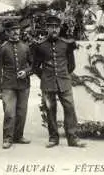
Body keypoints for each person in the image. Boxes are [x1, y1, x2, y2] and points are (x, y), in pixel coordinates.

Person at [32, 15, 86, 148]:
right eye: (51, 27)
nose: (54, 30)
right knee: (50, 110)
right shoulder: (40, 46)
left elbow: (71, 66)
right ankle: (53, 138)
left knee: (69, 109)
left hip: (64, 82)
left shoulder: (66, 44)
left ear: (60, 28)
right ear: (47, 29)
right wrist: (45, 76)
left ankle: (72, 138)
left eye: (56, 27)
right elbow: (35, 67)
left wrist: (63, 75)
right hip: (48, 83)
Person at [0, 20, 32, 149]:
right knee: (9, 112)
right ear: (7, 32)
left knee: (22, 112)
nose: (16, 32)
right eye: (13, 30)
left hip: (24, 85)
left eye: (17, 30)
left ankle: (18, 136)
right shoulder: (2, 48)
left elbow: (33, 65)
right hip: (8, 85)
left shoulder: (25, 47)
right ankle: (7, 138)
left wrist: (26, 72)